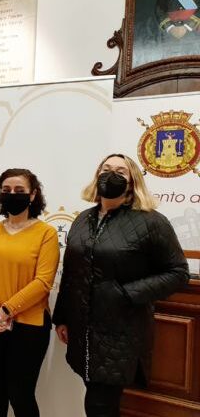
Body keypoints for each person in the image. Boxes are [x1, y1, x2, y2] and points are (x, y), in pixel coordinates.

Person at [52, 154, 190, 417]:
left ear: (132, 181)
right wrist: (62, 318)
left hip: (121, 330)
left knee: (99, 404)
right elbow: (71, 272)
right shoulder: (83, 218)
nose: (111, 175)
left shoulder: (151, 221)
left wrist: (126, 293)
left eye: (120, 171)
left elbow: (178, 272)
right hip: (82, 329)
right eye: (105, 169)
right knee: (97, 399)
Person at [0, 168, 59, 417]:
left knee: (21, 393)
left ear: (32, 195)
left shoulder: (46, 233)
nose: (12, 194)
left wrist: (5, 310)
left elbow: (43, 282)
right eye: (6, 190)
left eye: (19, 190)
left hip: (29, 325)